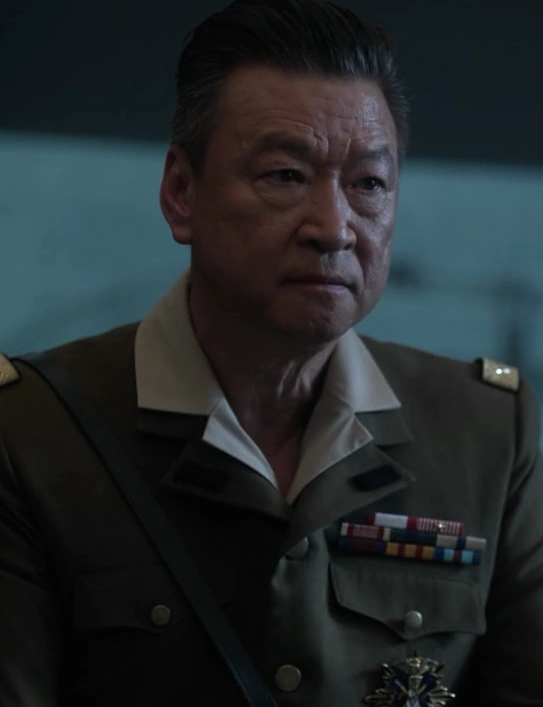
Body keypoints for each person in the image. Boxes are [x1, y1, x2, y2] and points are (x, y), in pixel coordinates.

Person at [0, 0, 542, 705]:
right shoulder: (32, 433)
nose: (334, 227)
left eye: (368, 184)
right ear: (181, 193)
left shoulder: (484, 431)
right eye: (285, 175)